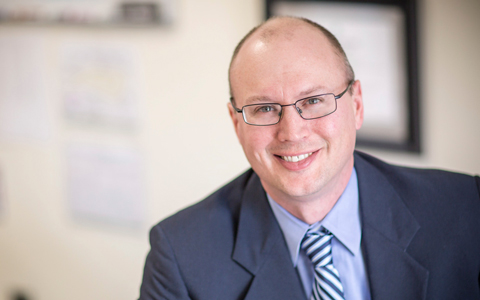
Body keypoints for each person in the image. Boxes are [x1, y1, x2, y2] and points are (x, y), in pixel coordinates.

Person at [139, 16, 480, 300]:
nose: (292, 132)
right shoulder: (180, 257)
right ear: (236, 123)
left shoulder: (466, 208)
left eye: (314, 101)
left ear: (357, 105)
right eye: (264, 108)